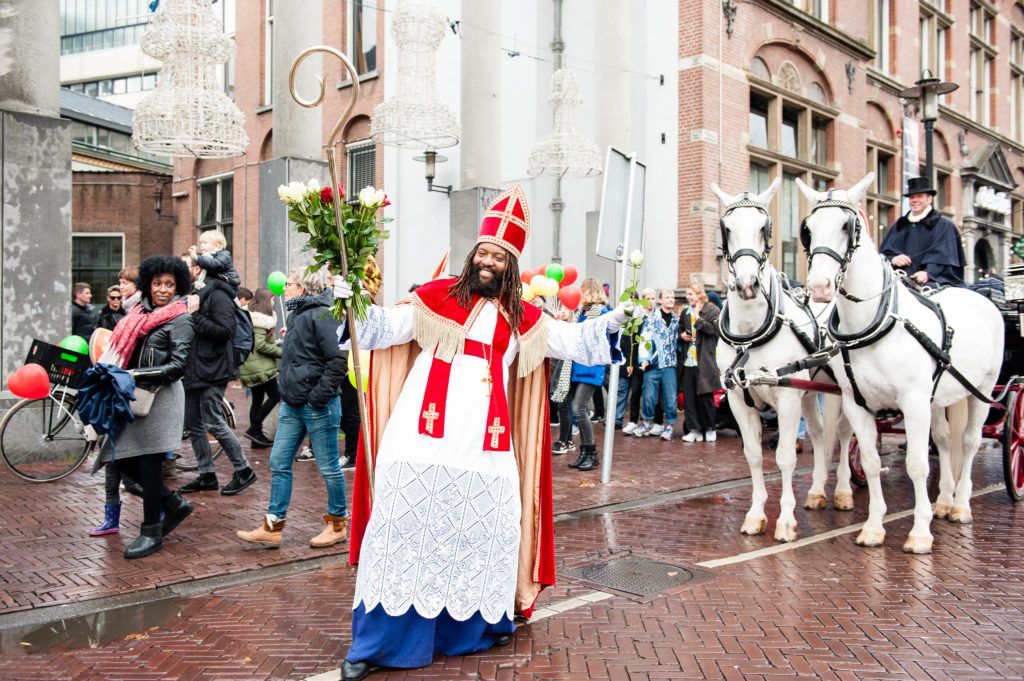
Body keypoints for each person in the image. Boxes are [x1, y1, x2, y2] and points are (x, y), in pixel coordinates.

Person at [337, 186, 636, 680]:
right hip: (419, 440)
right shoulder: (431, 300)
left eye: (500, 256)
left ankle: (472, 629)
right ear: (472, 255)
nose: (488, 262)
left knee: (483, 532)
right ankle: (376, 645)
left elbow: (578, 342)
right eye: (484, 252)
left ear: (511, 266)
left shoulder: (525, 319)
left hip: (486, 446)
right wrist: (351, 303)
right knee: (402, 532)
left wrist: (619, 318)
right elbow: (376, 331)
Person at [91, 255, 196, 558]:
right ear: (148, 284)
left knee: (149, 465)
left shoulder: (181, 318)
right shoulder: (136, 312)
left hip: (159, 397)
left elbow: (177, 366)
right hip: (133, 393)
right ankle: (174, 504)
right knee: (121, 459)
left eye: (169, 284)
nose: (163, 289)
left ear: (178, 286)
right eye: (157, 283)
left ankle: (151, 531)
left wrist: (130, 374)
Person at [236, 269, 348, 549]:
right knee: (279, 462)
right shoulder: (299, 313)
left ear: (304, 288)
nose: (284, 287)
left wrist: (317, 397)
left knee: (328, 467)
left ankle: (337, 524)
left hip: (314, 404)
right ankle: (273, 526)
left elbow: (337, 360)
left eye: (290, 284)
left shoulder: (323, 314)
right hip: (293, 403)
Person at [177, 250, 256, 496]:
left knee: (212, 420)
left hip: (214, 368)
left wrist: (195, 316)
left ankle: (243, 469)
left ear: (198, 269)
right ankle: (206, 474)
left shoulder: (219, 293)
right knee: (192, 423)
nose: (181, 272)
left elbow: (225, 331)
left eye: (185, 266)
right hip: (192, 368)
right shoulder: (193, 294)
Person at [879, 176, 966, 288]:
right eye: (912, 197)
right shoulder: (899, 226)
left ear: (929, 199)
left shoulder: (944, 226)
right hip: (898, 285)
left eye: (919, 196)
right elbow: (884, 254)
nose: (914, 200)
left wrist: (929, 273)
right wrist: (893, 259)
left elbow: (946, 259)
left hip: (932, 286)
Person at [564, 279, 611, 471]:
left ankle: (592, 453)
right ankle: (584, 452)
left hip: (592, 367)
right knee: (578, 408)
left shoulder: (601, 313)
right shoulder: (582, 313)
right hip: (579, 366)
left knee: (579, 408)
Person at [633, 289, 681, 440]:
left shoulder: (676, 320)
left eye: (672, 297)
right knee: (648, 396)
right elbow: (645, 339)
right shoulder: (652, 318)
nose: (670, 300)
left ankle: (669, 427)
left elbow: (678, 341)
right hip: (653, 365)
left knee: (670, 397)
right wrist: (644, 359)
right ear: (661, 301)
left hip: (669, 364)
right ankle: (646, 423)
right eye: (667, 297)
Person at [679, 283, 721, 443]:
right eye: (687, 294)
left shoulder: (712, 310)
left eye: (691, 294)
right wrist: (681, 335)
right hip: (688, 361)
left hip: (705, 360)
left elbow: (714, 331)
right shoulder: (685, 312)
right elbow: (680, 328)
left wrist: (698, 319)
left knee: (705, 396)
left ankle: (710, 428)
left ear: (699, 294)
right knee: (689, 397)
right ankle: (694, 429)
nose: (688, 297)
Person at [239, 287, 281, 448]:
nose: (273, 302)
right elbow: (261, 344)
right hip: (260, 367)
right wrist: (280, 352)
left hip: (251, 366)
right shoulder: (260, 319)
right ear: (266, 301)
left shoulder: (250, 315)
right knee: (275, 396)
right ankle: (254, 428)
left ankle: (256, 438)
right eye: (272, 300)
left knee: (257, 400)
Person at [620, 287, 657, 434]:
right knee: (635, 392)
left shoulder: (657, 316)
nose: (651, 301)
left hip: (653, 363)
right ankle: (632, 421)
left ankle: (651, 421)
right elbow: (631, 341)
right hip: (637, 362)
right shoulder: (638, 317)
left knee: (651, 394)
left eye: (653, 298)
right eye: (648, 298)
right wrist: (630, 363)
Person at [189, 230, 241, 294]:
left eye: (205, 243)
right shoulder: (205, 257)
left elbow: (216, 265)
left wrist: (196, 256)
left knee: (208, 286)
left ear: (217, 245)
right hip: (219, 281)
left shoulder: (224, 254)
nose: (201, 245)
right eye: (201, 243)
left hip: (229, 283)